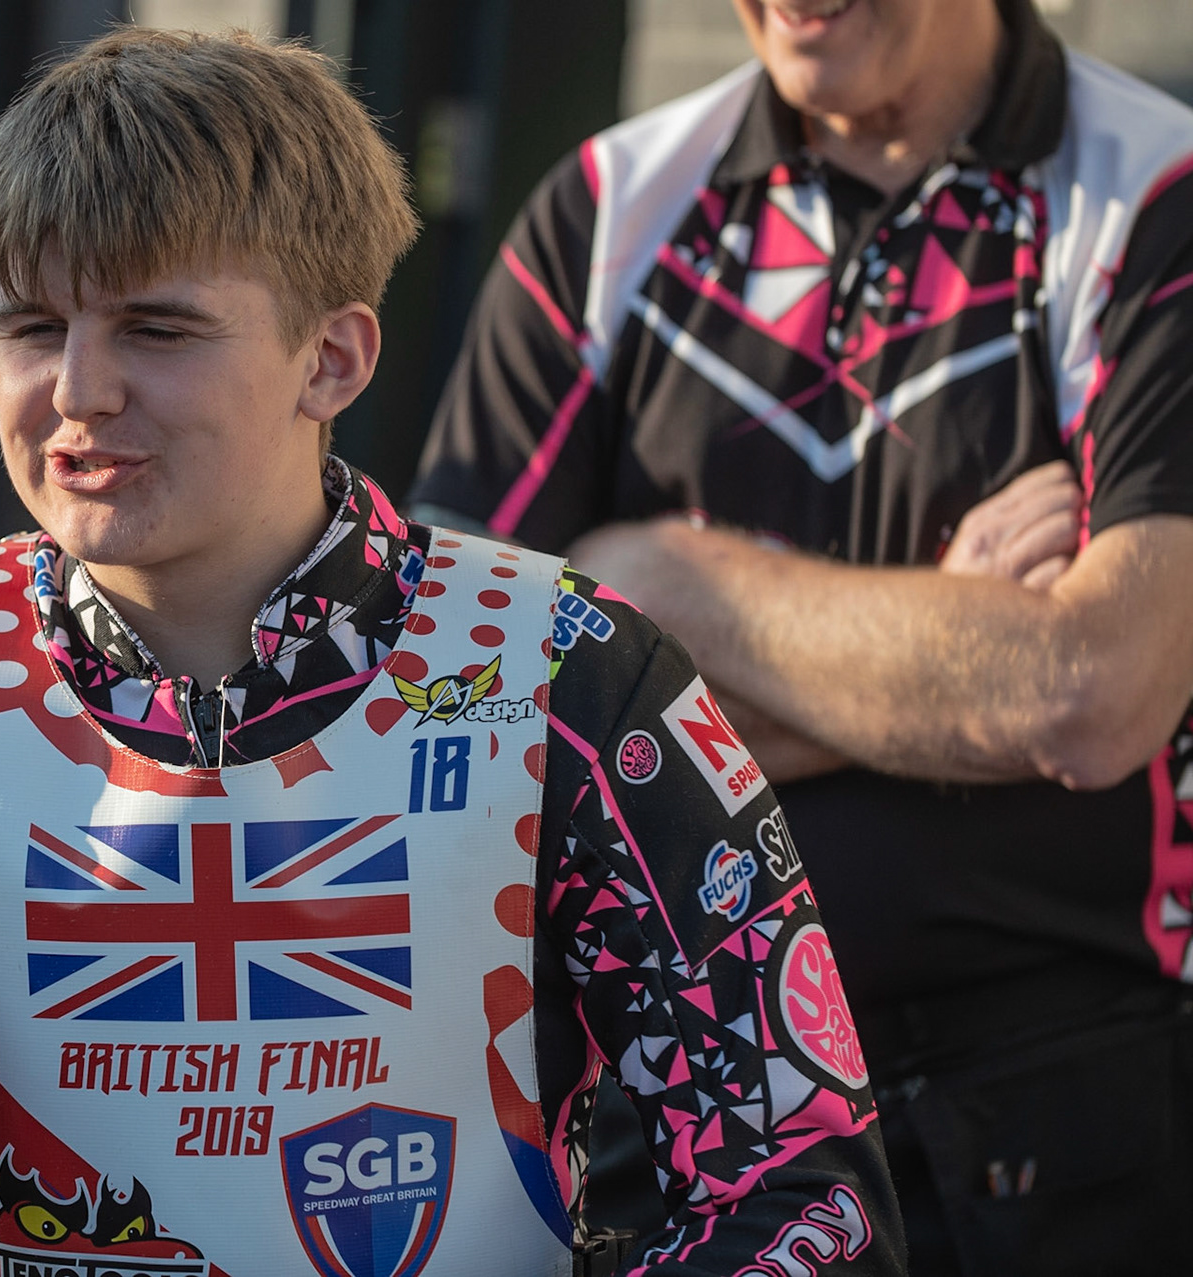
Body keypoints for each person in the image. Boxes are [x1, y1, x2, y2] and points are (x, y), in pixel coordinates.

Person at [0, 27, 902, 1277]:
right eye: (32, 325)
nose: (78, 389)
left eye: (156, 328)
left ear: (333, 358)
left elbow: (797, 1177)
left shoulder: (562, 667)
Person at [407, 0, 1193, 1271]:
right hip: (673, 1105)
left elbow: (1094, 691)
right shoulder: (608, 205)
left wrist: (641, 583)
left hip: (1050, 1121)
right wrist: (955, 631)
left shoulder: (1158, 194)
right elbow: (449, 690)